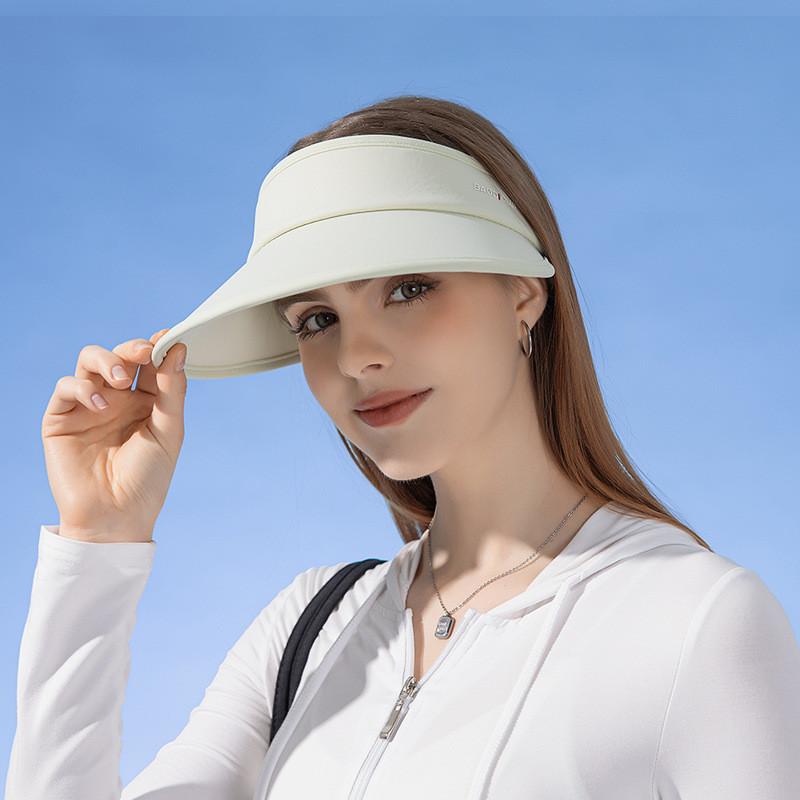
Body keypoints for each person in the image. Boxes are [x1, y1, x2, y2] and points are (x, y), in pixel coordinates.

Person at [6, 95, 799, 799]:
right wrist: (99, 540)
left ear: (523, 291)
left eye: (408, 288)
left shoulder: (697, 623)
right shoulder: (309, 626)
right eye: (318, 320)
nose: (358, 357)